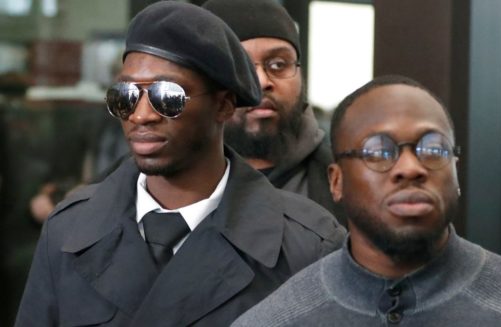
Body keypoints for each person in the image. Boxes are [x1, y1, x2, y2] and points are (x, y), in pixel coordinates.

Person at [14, 3, 345, 326]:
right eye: (125, 96)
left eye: (168, 97)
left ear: (224, 105)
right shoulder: (68, 229)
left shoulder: (308, 245)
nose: (141, 115)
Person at [232, 75, 501, 326]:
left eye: (432, 149)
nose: (410, 168)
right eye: (378, 151)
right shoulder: (277, 320)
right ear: (337, 181)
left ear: (455, 173)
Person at [202, 0, 346, 225]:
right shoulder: (158, 180)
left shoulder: (341, 179)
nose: (261, 81)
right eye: (241, 67)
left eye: (279, 64)